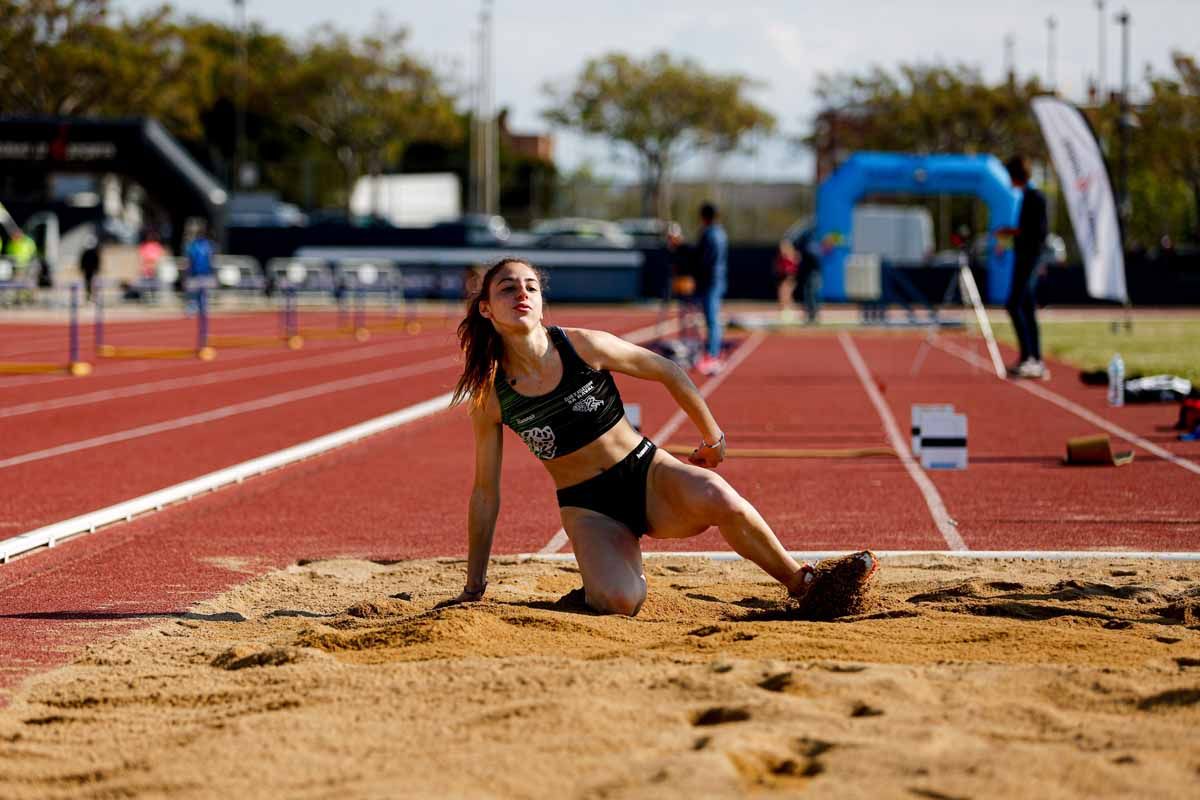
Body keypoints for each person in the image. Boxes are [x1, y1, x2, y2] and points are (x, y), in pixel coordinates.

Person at [443, 257, 878, 616]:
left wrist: (712, 436)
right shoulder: (490, 397)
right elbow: (485, 494)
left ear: (541, 302)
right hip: (590, 508)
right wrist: (474, 582)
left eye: (531, 287)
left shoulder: (584, 346)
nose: (521, 293)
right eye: (506, 288)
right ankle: (597, 588)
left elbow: (667, 370)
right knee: (621, 601)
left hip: (647, 474)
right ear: (485, 309)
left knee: (721, 498)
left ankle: (804, 584)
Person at [1000, 155, 1050, 379]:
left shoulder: (1036, 197)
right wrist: (1012, 234)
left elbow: (1038, 232)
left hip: (1029, 260)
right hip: (1024, 258)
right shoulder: (1027, 196)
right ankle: (1031, 358)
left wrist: (1013, 233)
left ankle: (1031, 357)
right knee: (1027, 308)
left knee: (1013, 304)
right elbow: (1028, 230)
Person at [693, 202, 728, 376]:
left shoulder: (709, 234)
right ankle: (713, 352)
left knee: (712, 320)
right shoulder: (721, 233)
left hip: (710, 281)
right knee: (713, 320)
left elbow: (704, 260)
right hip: (717, 279)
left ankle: (712, 355)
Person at [184, 222, 216, 314]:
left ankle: (202, 308)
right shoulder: (193, 245)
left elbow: (211, 259)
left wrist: (212, 271)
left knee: (203, 293)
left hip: (205, 272)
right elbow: (190, 259)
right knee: (193, 292)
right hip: (195, 273)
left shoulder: (208, 245)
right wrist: (188, 272)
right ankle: (192, 308)